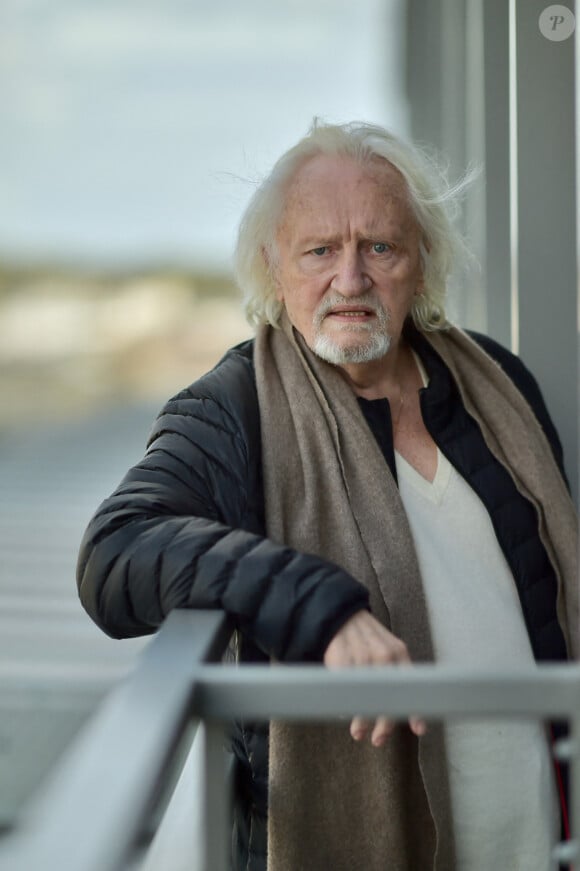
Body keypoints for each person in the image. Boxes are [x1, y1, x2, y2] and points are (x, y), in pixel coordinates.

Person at [77, 120, 578, 871]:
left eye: (380, 246)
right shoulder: (233, 407)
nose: (351, 280)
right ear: (274, 267)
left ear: (421, 262)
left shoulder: (498, 384)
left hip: (542, 837)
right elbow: (115, 553)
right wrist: (322, 607)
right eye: (321, 251)